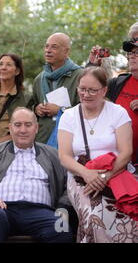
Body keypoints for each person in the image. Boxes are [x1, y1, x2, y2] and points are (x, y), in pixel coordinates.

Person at [0, 107, 72, 243]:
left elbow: (69, 184)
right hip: (2, 209)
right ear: (10, 128)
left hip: (41, 212)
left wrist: (62, 207)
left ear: (36, 128)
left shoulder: (52, 154)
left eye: (28, 125)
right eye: (18, 125)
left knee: (61, 227)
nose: (23, 130)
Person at [58, 67, 137, 243]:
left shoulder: (118, 112)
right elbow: (64, 156)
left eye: (92, 90)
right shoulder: (68, 116)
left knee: (129, 215)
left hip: (116, 172)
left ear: (104, 90)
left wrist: (104, 176)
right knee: (95, 214)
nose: (86, 94)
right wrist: (87, 174)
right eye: (82, 89)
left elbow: (126, 153)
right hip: (80, 175)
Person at [30, 33, 83, 144]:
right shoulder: (39, 79)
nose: (48, 50)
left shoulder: (80, 76)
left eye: (54, 47)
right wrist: (36, 109)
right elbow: (31, 106)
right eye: (46, 46)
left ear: (66, 52)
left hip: (70, 140)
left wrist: (60, 111)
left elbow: (88, 109)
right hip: (42, 140)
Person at [105, 24, 138, 165]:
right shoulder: (117, 83)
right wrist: (92, 66)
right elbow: (91, 96)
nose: (131, 57)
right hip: (116, 165)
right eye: (131, 53)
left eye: (137, 53)